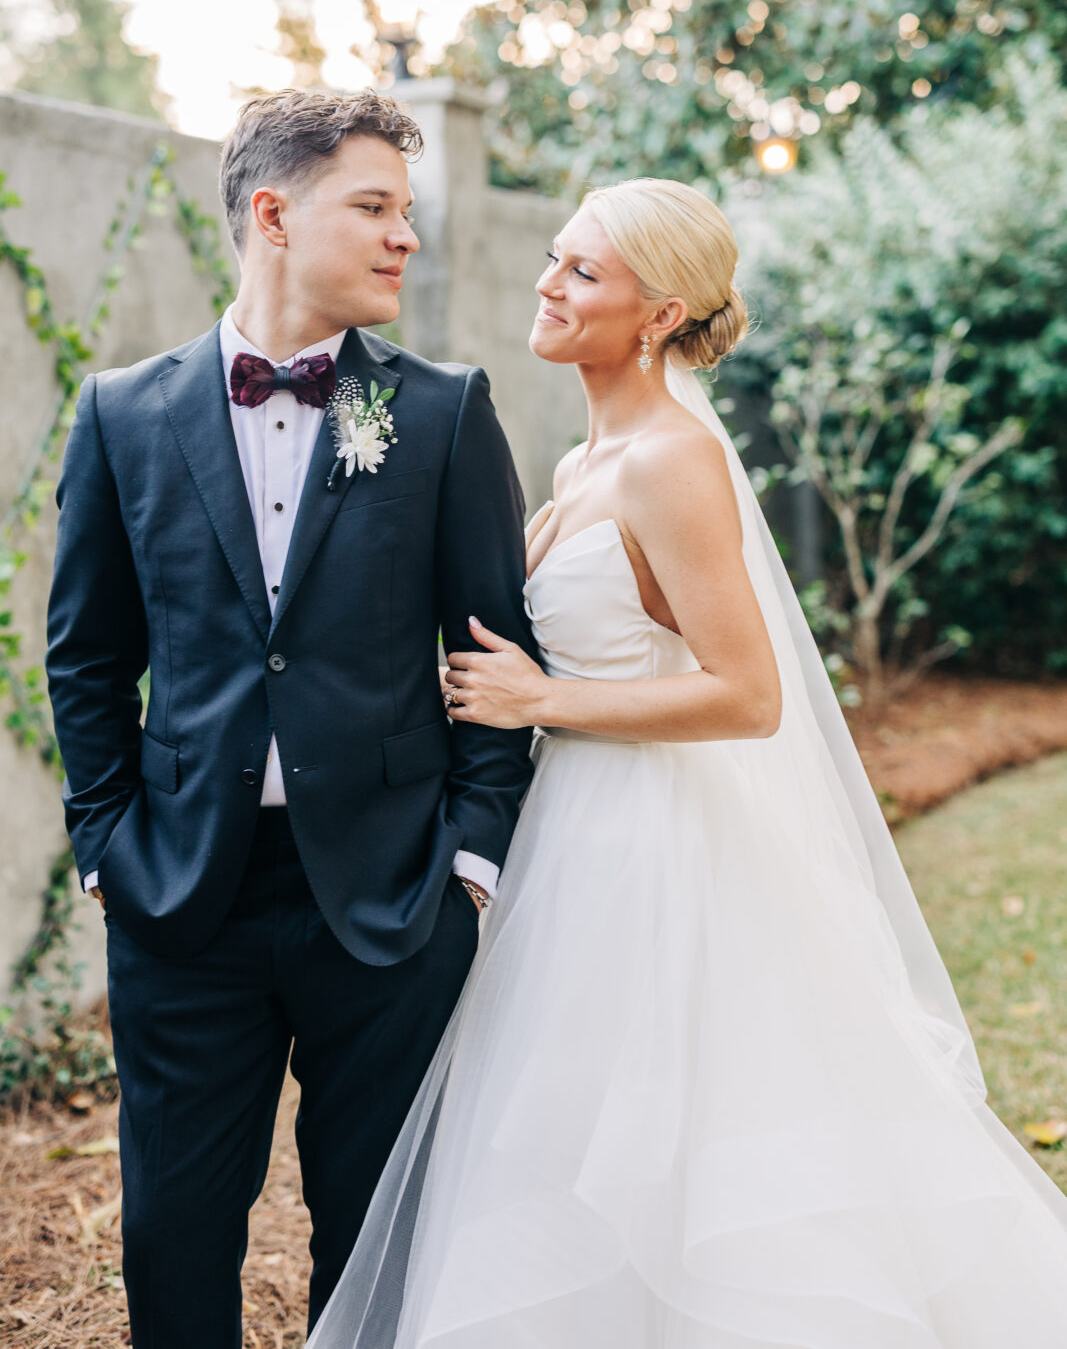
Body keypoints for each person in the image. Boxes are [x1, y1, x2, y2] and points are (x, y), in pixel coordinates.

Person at [309, 177, 1067, 1349]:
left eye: (584, 273)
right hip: (571, 833)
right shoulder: (580, 464)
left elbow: (748, 693)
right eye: (556, 259)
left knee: (676, 1164)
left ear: (659, 315)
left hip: (650, 854)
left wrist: (541, 696)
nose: (549, 284)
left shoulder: (672, 459)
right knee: (565, 1153)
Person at [45, 88, 536, 1348]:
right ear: (272, 212)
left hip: (387, 902)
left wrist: (467, 866)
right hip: (181, 899)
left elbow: (494, 651)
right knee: (173, 1234)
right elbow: (87, 656)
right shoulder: (121, 415)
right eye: (371, 207)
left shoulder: (437, 411)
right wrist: (106, 846)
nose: (402, 238)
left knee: (377, 1238)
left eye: (406, 211)